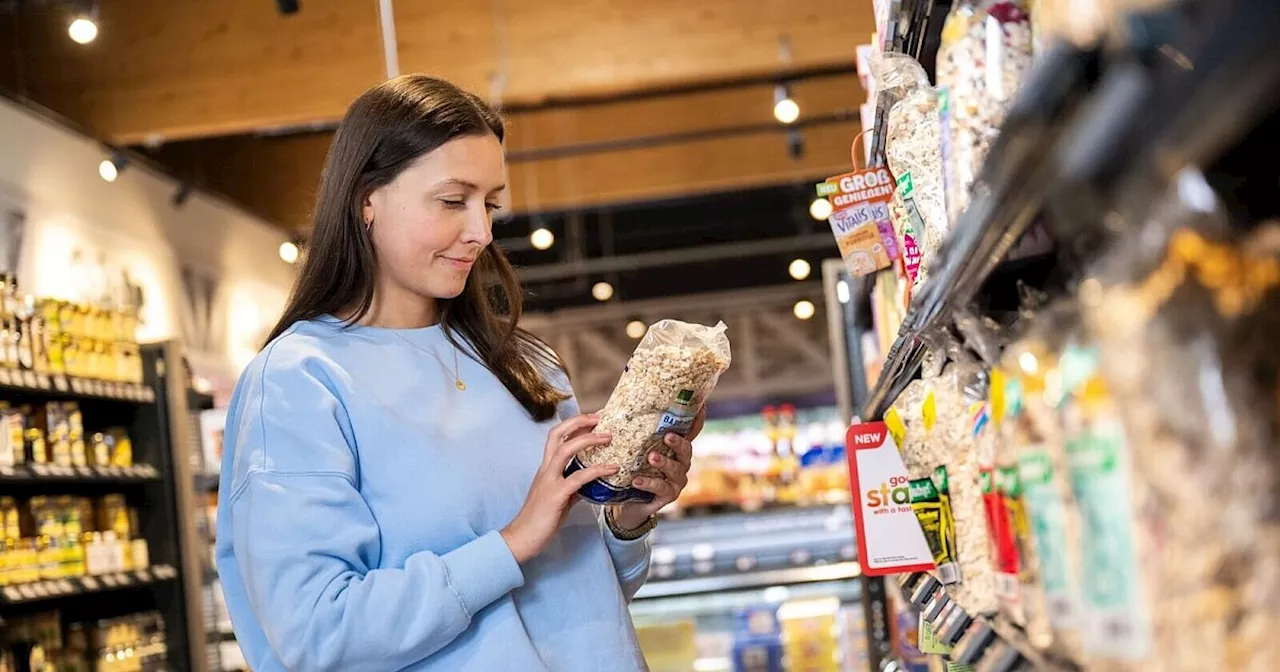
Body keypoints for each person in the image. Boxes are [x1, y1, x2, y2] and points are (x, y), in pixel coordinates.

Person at [215, 75, 703, 672]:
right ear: (366, 198)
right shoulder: (299, 382)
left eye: (490, 203)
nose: (482, 232)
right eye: (453, 201)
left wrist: (628, 518)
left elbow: (579, 599)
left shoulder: (523, 364)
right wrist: (513, 541)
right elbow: (319, 633)